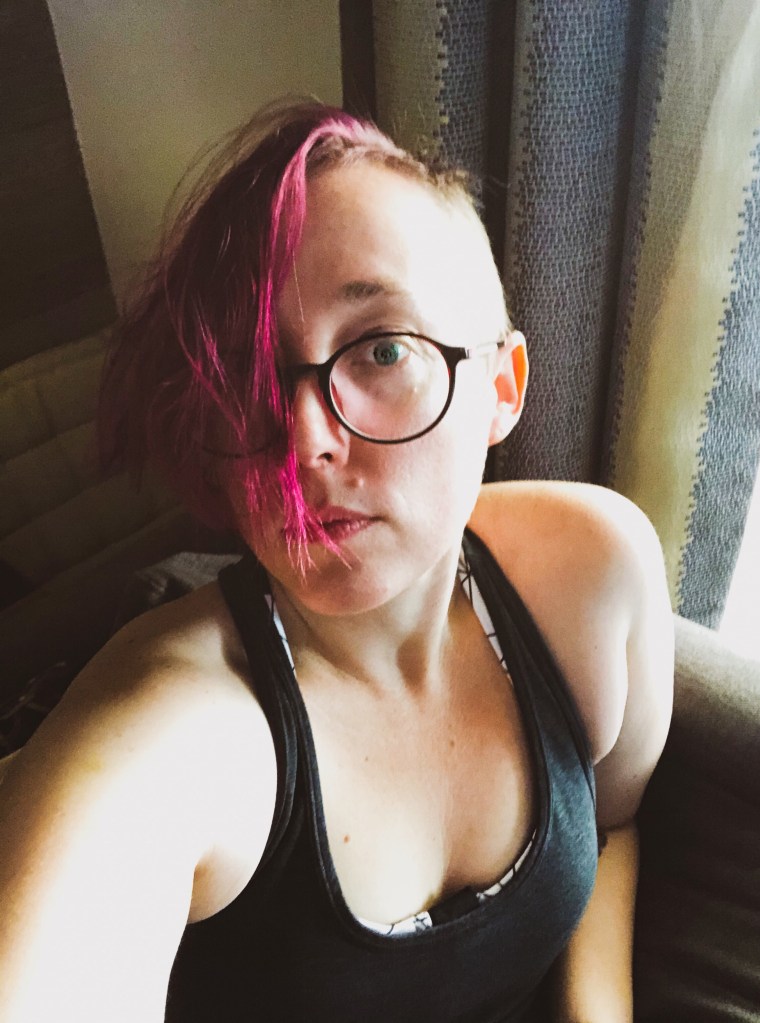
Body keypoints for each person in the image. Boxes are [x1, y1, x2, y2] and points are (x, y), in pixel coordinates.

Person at [0, 99, 673, 1022]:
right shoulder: (169, 734)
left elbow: (612, 822)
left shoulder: (592, 573)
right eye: (248, 376)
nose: (303, 440)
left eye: (381, 349)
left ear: (500, 388)